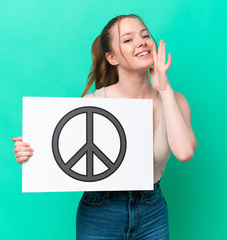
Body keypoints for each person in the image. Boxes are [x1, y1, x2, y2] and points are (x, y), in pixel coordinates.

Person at [12, 14, 197, 239]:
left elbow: (185, 152)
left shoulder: (175, 101)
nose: (141, 42)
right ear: (111, 58)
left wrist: (165, 89)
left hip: (152, 210)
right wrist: (29, 153)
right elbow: (61, 154)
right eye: (128, 40)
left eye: (145, 35)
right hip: (100, 211)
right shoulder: (92, 104)